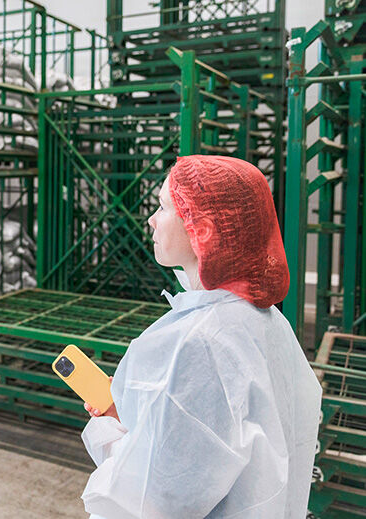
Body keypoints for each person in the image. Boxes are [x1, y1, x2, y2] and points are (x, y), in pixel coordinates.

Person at [80, 155, 321, 518]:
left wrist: (108, 430)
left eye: (163, 207)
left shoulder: (201, 341)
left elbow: (158, 498)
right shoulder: (266, 319)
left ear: (202, 229)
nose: (151, 220)